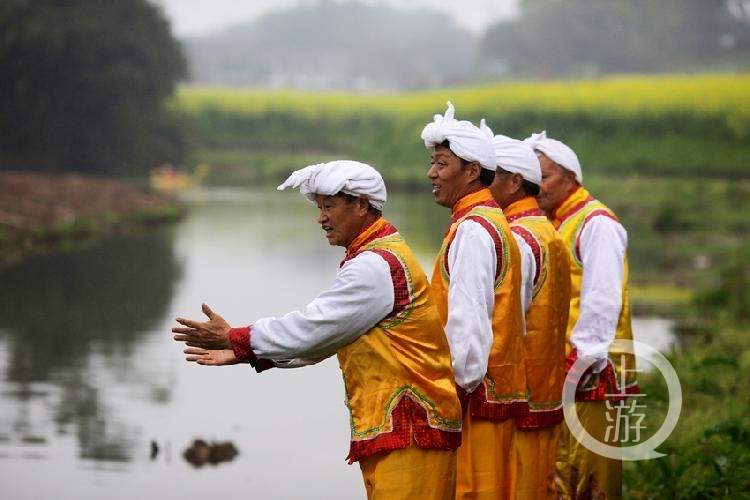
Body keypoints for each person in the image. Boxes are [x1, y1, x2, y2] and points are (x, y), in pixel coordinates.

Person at [171, 160, 463, 500]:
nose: (320, 218)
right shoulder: (374, 255)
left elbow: (313, 329)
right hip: (403, 429)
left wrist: (235, 338)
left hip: (411, 429)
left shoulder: (374, 265)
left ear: (361, 205)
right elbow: (324, 339)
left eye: (329, 207)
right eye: (320, 207)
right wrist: (244, 351)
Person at [420, 102, 528, 499]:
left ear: (471, 171)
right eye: (432, 163)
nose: (431, 173)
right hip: (490, 395)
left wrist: (450, 397)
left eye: (442, 163)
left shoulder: (474, 230)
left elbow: (468, 326)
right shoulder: (491, 220)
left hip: (474, 403)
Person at [525, 131, 639, 499]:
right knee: (559, 467)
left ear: (571, 177)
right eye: (532, 177)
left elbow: (603, 300)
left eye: (544, 176)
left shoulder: (596, 223)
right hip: (562, 369)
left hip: (590, 369)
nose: (536, 186)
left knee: (590, 470)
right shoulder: (555, 220)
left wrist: (582, 359)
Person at [482, 125, 572, 499]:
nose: (482, 185)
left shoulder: (518, 238)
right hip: (546, 388)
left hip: (519, 395)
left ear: (515, 182)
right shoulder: (546, 231)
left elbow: (506, 321)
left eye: (489, 176)